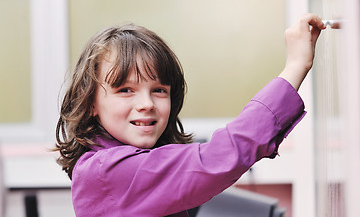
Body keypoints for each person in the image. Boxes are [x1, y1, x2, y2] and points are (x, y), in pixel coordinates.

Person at [55, 13, 326, 216]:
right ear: (90, 102)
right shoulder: (107, 171)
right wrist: (296, 66)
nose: (146, 103)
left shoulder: (127, 163)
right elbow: (216, 160)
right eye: (126, 90)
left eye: (159, 90)